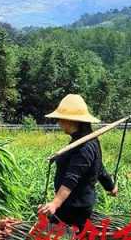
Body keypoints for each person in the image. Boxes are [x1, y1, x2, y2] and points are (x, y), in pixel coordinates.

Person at [39, 94, 118, 230]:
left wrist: (54, 204)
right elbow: (100, 168)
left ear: (71, 121)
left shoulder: (84, 147)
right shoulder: (83, 140)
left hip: (74, 208)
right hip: (73, 204)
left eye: (60, 119)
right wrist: (110, 186)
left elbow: (71, 179)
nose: (58, 123)